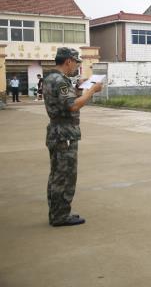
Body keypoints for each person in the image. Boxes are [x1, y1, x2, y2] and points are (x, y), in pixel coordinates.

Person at [43, 47, 102, 227]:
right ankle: (61, 216)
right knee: (65, 176)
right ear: (68, 61)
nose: (76, 66)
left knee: (57, 175)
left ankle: (57, 213)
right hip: (64, 134)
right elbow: (73, 106)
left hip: (57, 132)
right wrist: (91, 90)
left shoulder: (51, 78)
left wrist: (77, 88)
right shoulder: (60, 81)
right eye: (76, 62)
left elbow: (63, 101)